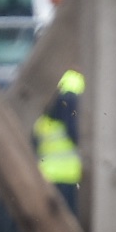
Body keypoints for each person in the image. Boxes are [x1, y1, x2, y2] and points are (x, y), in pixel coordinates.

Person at [36, 68, 84, 214]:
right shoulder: (77, 84)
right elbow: (75, 132)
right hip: (73, 175)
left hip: (46, 174)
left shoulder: (47, 83)